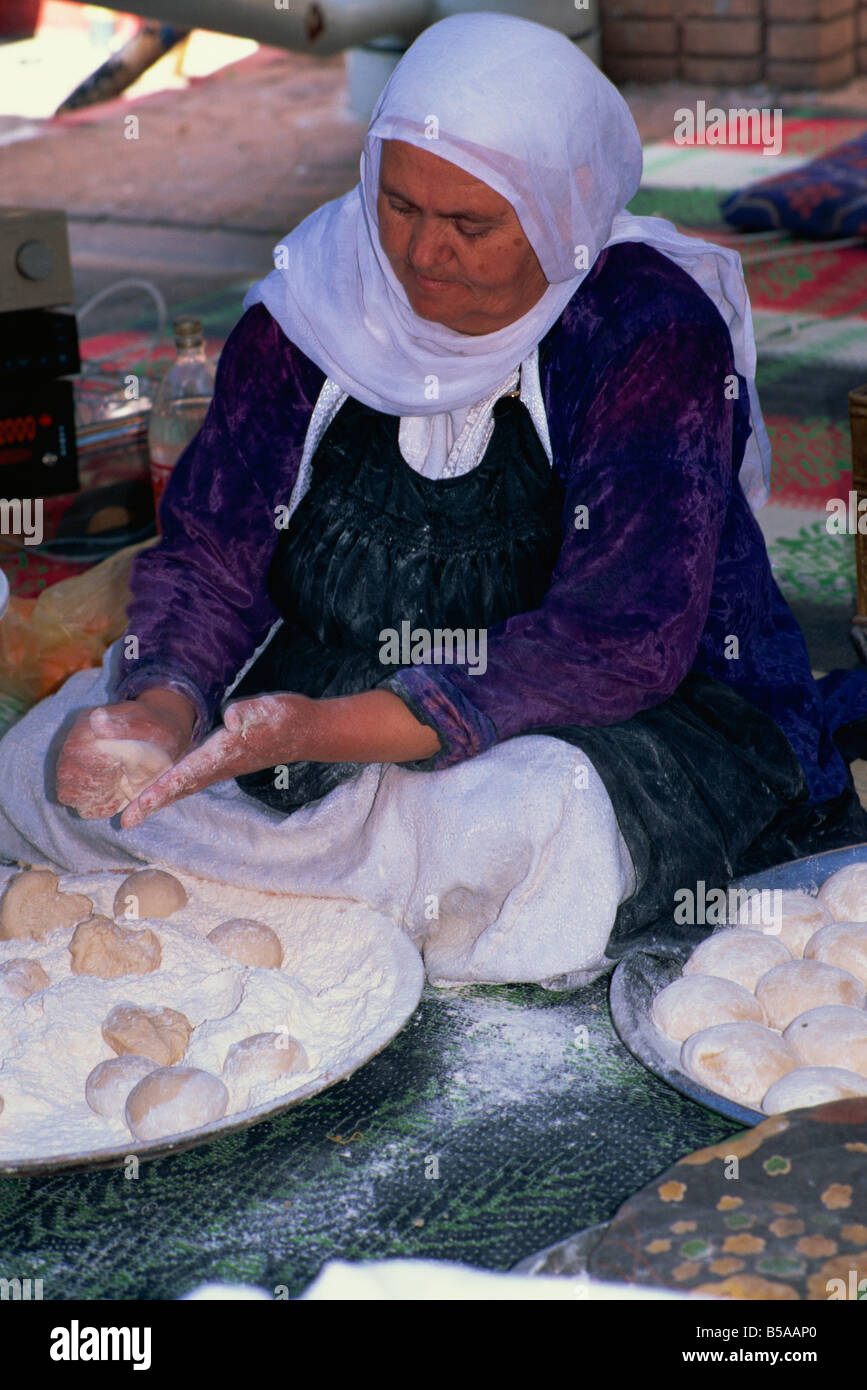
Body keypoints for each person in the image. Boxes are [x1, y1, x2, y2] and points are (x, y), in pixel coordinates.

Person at [3, 12, 867, 988]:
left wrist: (325, 732)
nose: (423, 254)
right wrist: (163, 710)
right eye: (400, 205)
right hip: (327, 680)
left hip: (600, 715)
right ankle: (358, 891)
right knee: (50, 755)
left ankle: (325, 879)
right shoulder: (314, 301)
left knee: (544, 820)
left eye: (472, 226)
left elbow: (617, 638)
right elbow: (213, 554)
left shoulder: (645, 331)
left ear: (561, 208)